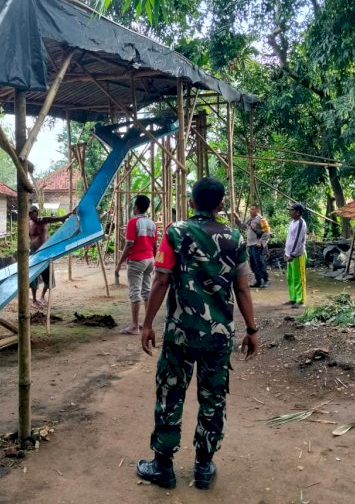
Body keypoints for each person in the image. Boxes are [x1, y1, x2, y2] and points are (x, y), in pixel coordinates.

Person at [137, 177, 258, 490]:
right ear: (220, 205)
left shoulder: (176, 232)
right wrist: (252, 329)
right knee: (213, 399)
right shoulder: (235, 237)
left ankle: (163, 467)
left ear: (191, 202)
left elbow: (161, 280)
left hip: (180, 334)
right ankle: (204, 466)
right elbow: (243, 287)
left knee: (170, 395)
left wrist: (147, 323)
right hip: (218, 338)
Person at [115, 195, 159, 335]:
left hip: (137, 260)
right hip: (149, 260)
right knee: (146, 292)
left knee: (135, 292)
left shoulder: (133, 223)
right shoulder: (152, 224)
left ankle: (134, 326)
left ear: (136, 207)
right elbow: (155, 246)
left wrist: (119, 264)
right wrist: (155, 261)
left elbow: (129, 245)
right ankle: (147, 323)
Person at [29, 204, 72, 308]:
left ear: (36, 212)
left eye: (32, 212)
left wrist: (63, 217)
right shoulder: (28, 224)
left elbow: (51, 219)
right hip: (34, 252)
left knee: (48, 276)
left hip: (45, 252)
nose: (30, 215)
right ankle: (34, 300)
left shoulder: (42, 220)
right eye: (29, 213)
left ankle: (42, 296)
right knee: (33, 277)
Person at [284, 203, 308, 308]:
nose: (290, 212)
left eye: (292, 210)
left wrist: (292, 254)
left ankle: (300, 300)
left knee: (299, 278)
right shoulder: (292, 222)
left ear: (298, 212)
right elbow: (289, 239)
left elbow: (298, 241)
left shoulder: (301, 223)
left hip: (297, 255)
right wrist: (286, 252)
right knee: (291, 278)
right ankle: (293, 298)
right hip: (290, 255)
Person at [246, 204, 271, 288]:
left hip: (257, 245)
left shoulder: (261, 219)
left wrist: (260, 242)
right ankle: (258, 281)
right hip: (250, 244)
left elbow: (267, 232)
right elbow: (243, 227)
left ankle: (266, 280)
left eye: (253, 209)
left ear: (257, 211)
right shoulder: (249, 220)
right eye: (250, 209)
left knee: (260, 263)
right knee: (253, 264)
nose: (250, 210)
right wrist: (237, 218)